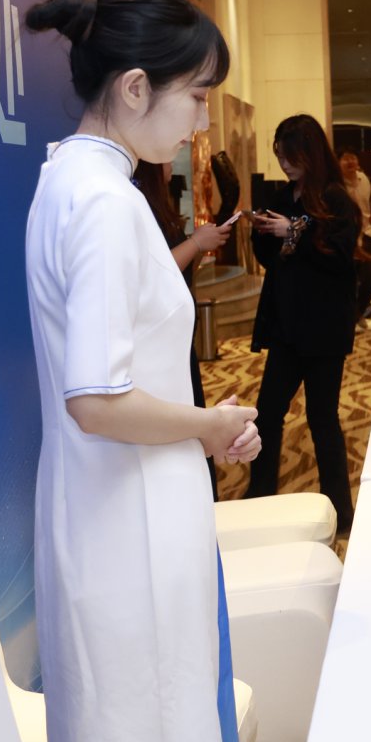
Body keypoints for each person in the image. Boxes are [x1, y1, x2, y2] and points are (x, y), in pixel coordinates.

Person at [23, 0, 261, 742]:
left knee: (126, 723)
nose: (202, 121)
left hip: (111, 508)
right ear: (134, 89)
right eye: (197, 96)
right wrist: (210, 426)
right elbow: (97, 399)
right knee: (154, 725)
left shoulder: (71, 182)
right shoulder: (104, 202)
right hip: (131, 524)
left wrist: (201, 426)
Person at [246, 114, 361, 531]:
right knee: (267, 414)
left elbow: (340, 258)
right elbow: (271, 260)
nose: (284, 165)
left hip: (324, 327)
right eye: (280, 156)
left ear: (310, 154)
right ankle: (259, 496)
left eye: (291, 157)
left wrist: (294, 232)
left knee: (322, 418)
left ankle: (339, 510)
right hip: (286, 324)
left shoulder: (335, 199)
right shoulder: (282, 196)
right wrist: (266, 232)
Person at [134, 159, 236, 498]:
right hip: (158, 340)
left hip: (176, 337)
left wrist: (198, 245)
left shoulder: (157, 202)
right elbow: (152, 273)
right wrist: (195, 243)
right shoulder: (136, 205)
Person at [338, 147, 371, 326]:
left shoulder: (367, 180)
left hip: (367, 235)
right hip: (345, 237)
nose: (350, 162)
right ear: (337, 162)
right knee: (348, 279)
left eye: (353, 158)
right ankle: (350, 316)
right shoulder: (334, 185)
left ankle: (358, 312)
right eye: (346, 158)